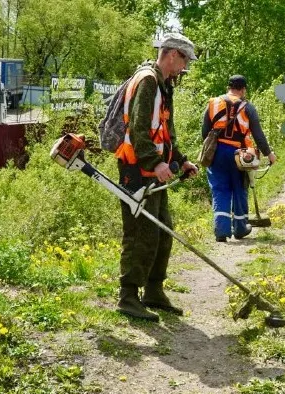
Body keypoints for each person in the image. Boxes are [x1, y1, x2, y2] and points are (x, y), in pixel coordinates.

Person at [115, 33, 199, 322]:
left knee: (163, 232)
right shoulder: (148, 81)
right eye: (184, 60)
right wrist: (154, 161)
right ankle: (128, 296)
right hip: (137, 171)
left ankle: (153, 290)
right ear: (173, 54)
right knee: (141, 233)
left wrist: (180, 160)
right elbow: (139, 129)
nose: (184, 67)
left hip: (154, 170)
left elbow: (165, 132)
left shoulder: (164, 85)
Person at [202, 75, 277, 243]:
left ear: (228, 87)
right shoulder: (248, 107)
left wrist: (212, 150)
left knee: (220, 190)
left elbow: (205, 131)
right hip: (240, 154)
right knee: (239, 188)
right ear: (243, 89)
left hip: (217, 152)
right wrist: (268, 154)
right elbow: (258, 135)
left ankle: (221, 230)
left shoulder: (213, 103)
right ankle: (240, 228)